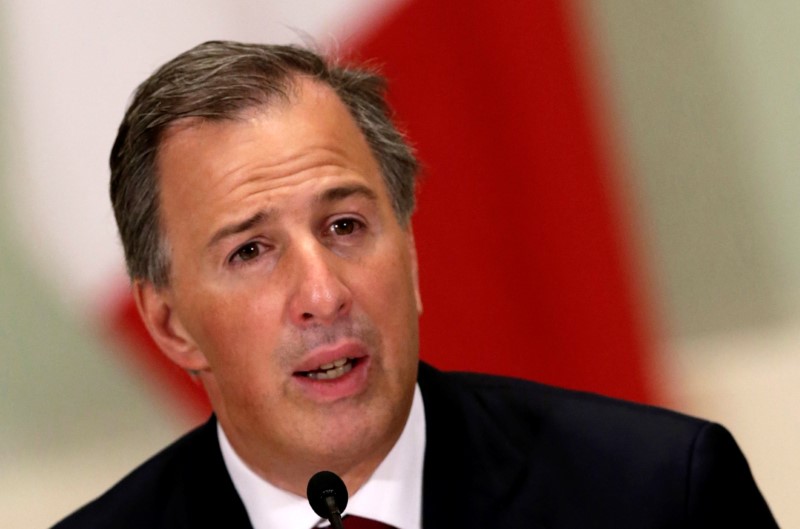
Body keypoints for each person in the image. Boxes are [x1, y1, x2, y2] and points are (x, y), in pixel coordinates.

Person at [54, 41, 778, 528]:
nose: (324, 293)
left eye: (344, 226)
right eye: (251, 251)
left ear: (411, 253)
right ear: (172, 324)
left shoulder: (660, 496)